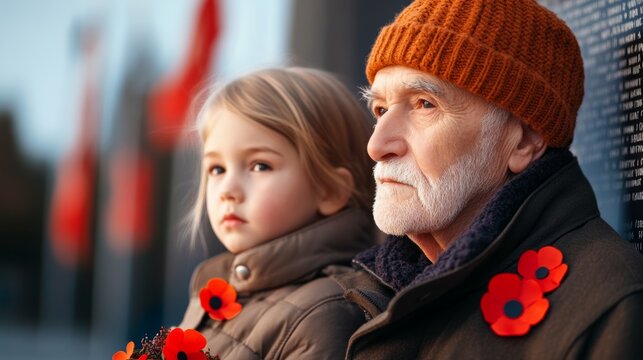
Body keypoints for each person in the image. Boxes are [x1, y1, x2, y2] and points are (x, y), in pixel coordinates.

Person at [334, 0, 643, 359]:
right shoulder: (360, 290)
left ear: (524, 141)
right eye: (381, 110)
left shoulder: (608, 306)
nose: (377, 145)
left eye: (424, 104)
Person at [178, 67, 376, 359]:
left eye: (260, 166)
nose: (227, 189)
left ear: (330, 191)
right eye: (217, 169)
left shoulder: (324, 312)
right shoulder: (224, 293)